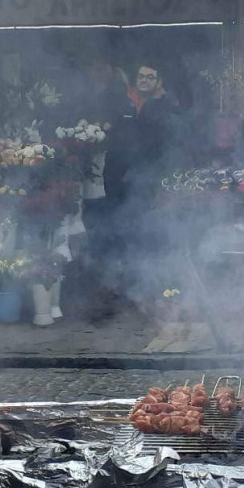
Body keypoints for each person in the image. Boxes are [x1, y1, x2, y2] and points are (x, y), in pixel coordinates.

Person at [97, 61, 182, 306]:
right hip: (117, 178)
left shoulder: (167, 106)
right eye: (141, 76)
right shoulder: (125, 101)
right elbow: (113, 132)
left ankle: (147, 288)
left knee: (143, 233)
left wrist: (160, 179)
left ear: (159, 81)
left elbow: (168, 147)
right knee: (118, 231)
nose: (144, 80)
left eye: (150, 77)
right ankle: (121, 287)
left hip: (146, 180)